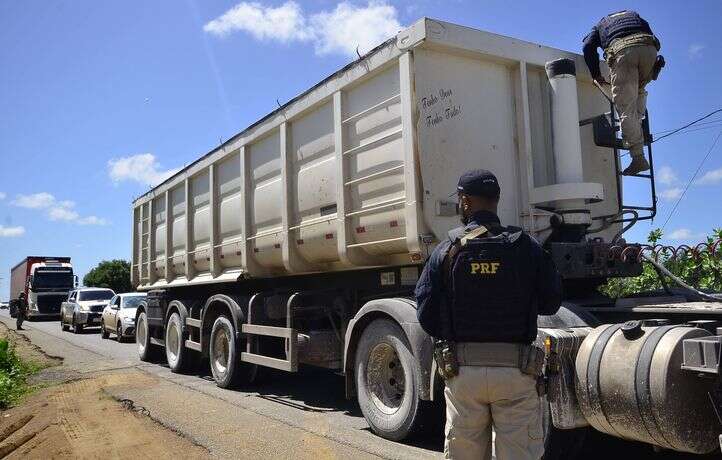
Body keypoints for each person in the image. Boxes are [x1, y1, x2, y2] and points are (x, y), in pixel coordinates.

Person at [415, 169, 562, 460]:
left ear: (465, 202)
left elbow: (425, 312)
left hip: (463, 376)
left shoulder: (448, 249)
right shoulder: (526, 246)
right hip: (517, 373)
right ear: (496, 200)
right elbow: (552, 302)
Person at [582, 10, 661, 176]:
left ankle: (638, 157)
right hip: (650, 51)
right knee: (638, 91)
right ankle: (637, 130)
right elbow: (654, 38)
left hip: (624, 53)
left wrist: (596, 73)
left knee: (625, 108)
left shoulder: (600, 25)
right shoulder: (635, 17)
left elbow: (588, 46)